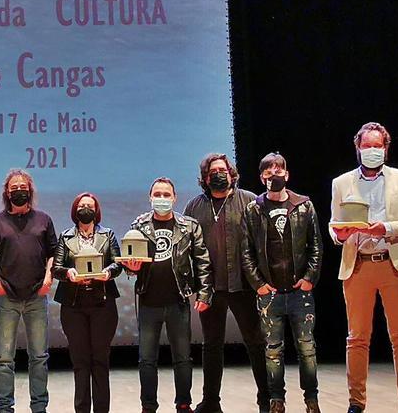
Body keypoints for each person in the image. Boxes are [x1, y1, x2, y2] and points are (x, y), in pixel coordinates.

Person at [328, 123, 398, 413]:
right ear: (358, 148)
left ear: (386, 148)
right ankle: (356, 402)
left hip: (393, 263)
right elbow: (334, 225)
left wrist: (386, 228)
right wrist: (339, 234)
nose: (372, 151)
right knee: (357, 337)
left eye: (377, 145)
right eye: (367, 146)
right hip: (358, 265)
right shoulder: (341, 183)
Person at [182, 153, 268, 413]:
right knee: (211, 346)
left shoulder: (250, 201)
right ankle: (210, 402)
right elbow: (187, 250)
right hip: (210, 290)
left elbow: (261, 243)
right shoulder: (194, 206)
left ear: (231, 174)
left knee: (256, 342)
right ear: (205, 178)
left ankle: (267, 399)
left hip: (244, 286)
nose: (218, 174)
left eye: (222, 169)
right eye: (212, 171)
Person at [120, 177, 214, 413]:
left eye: (166, 195)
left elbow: (202, 261)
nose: (161, 199)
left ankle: (183, 403)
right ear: (150, 198)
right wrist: (131, 267)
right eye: (157, 194)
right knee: (146, 360)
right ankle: (148, 406)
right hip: (148, 301)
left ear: (174, 198)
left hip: (178, 300)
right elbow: (130, 263)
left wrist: (204, 294)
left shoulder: (189, 226)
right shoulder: (139, 225)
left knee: (182, 358)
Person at [240, 153, 323, 413]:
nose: (273, 174)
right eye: (268, 170)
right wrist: (259, 284)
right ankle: (277, 399)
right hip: (270, 294)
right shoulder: (253, 208)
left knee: (307, 349)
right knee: (273, 350)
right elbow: (246, 251)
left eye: (278, 169)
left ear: (286, 174)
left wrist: (309, 278)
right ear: (261, 176)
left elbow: (316, 246)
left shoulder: (304, 205)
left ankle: (311, 399)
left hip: (300, 293)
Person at [0, 169, 58, 413]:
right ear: (7, 192)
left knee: (39, 357)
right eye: (14, 187)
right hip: (7, 298)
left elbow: (53, 253)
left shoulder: (44, 220)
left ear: (30, 190)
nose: (19, 191)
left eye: (23, 187)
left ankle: (39, 407)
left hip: (37, 296)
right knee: (4, 359)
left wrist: (49, 278)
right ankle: (4, 407)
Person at [52, 193, 123, 413]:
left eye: (89, 205)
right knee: (80, 362)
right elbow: (56, 268)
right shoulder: (65, 237)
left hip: (103, 304)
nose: (85, 209)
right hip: (74, 306)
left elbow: (117, 264)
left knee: (100, 361)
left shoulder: (107, 234)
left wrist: (108, 273)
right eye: (81, 205)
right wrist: (68, 273)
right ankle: (81, 409)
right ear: (75, 210)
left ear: (96, 210)